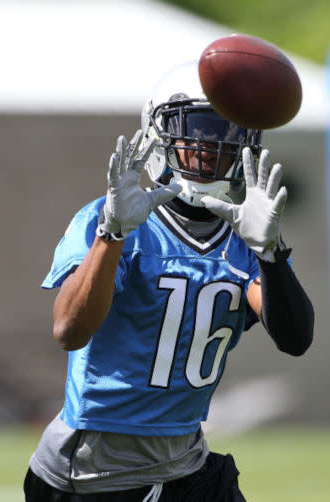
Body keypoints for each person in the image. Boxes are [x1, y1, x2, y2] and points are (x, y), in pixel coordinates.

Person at [24, 60, 314, 502]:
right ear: (159, 133)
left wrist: (271, 253)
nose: (213, 144)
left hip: (188, 465)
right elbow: (69, 330)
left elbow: (295, 338)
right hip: (95, 474)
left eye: (230, 133)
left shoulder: (245, 237)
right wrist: (112, 233)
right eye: (199, 128)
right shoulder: (112, 220)